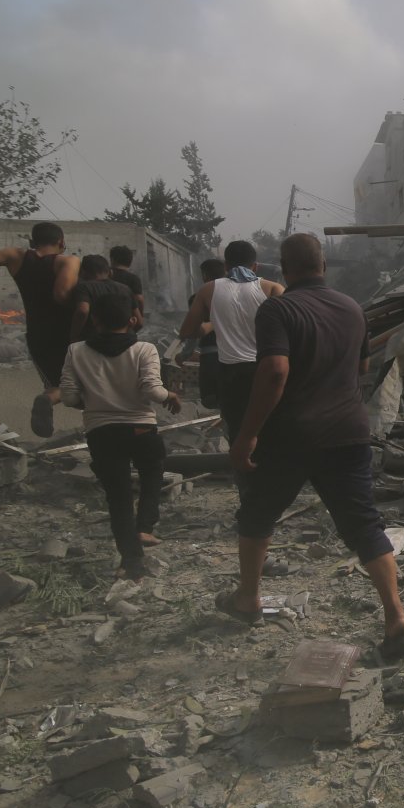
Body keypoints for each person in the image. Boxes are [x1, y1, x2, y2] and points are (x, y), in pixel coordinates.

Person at [221, 234, 404, 657]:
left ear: (283, 269)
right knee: (364, 524)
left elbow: (274, 372)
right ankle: (396, 614)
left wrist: (248, 433)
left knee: (257, 514)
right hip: (348, 431)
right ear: (323, 265)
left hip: (292, 434)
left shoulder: (279, 308)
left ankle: (248, 599)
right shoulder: (352, 309)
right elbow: (361, 366)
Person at [58, 290, 181, 579]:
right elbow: (152, 390)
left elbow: (67, 396)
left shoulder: (76, 351)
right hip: (140, 427)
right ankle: (145, 528)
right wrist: (170, 395)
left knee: (118, 496)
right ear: (132, 318)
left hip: (101, 432)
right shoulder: (144, 349)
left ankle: (131, 562)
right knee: (152, 472)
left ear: (95, 319)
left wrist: (91, 401)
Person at [0, 222, 80, 437]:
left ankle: (47, 398)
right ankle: (49, 400)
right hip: (66, 332)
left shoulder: (16, 256)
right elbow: (63, 293)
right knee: (79, 384)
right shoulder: (68, 260)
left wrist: (0, 261)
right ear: (61, 242)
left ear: (32, 242)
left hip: (37, 334)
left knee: (56, 382)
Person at [179, 241, 284, 441]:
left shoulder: (207, 290)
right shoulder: (274, 289)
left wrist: (212, 324)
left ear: (226, 265)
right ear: (255, 266)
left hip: (230, 373)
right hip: (265, 368)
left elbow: (188, 331)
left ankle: (240, 466)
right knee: (270, 428)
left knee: (237, 429)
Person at [184, 258, 227, 409]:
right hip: (238, 358)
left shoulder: (198, 298)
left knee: (212, 400)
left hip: (211, 359)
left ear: (204, 276)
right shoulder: (238, 296)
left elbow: (194, 331)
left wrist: (185, 353)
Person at [68, 255, 134, 342]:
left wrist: (74, 336)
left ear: (83, 272)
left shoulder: (83, 287)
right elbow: (139, 320)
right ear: (110, 272)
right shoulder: (125, 288)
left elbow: (82, 311)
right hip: (123, 341)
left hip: (93, 340)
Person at [108, 245, 145, 330]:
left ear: (112, 259)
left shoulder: (107, 276)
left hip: (106, 317)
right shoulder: (133, 278)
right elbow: (139, 299)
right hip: (126, 318)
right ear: (130, 261)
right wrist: (141, 315)